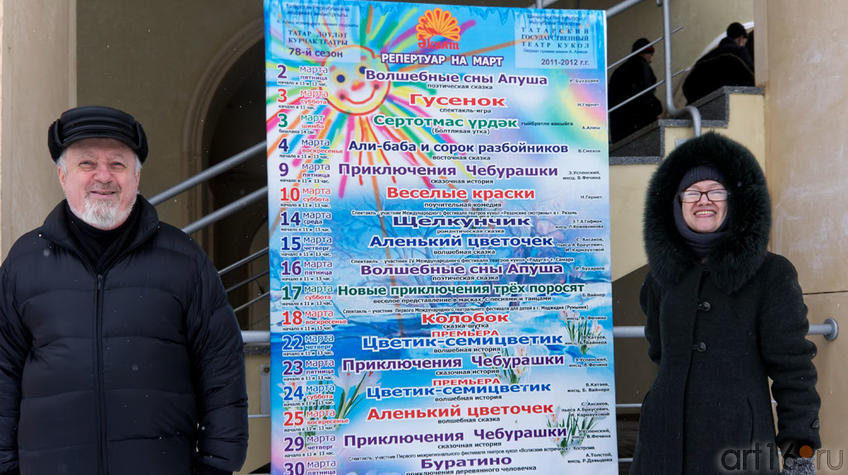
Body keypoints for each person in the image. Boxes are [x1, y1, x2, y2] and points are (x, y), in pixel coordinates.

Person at [0, 106, 248, 474]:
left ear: (136, 176)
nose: (103, 176)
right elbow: (3, 369)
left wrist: (216, 465)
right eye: (87, 163)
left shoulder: (183, 261)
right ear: (62, 175)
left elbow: (221, 366)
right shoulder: (24, 262)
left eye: (117, 164)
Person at [631, 133, 820, 475]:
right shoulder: (660, 277)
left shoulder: (771, 274)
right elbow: (659, 351)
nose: (704, 200)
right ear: (677, 203)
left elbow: (794, 372)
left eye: (715, 191)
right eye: (692, 192)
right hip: (661, 447)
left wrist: (800, 454)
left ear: (734, 201)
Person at [682, 22, 755, 104]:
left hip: (700, 96)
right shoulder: (739, 51)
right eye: (744, 42)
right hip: (730, 98)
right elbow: (752, 73)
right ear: (741, 38)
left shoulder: (707, 57)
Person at [609, 38, 664, 143]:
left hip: (619, 123)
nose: (651, 56)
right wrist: (656, 110)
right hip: (636, 123)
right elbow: (646, 94)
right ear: (646, 53)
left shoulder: (620, 70)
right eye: (651, 52)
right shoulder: (642, 67)